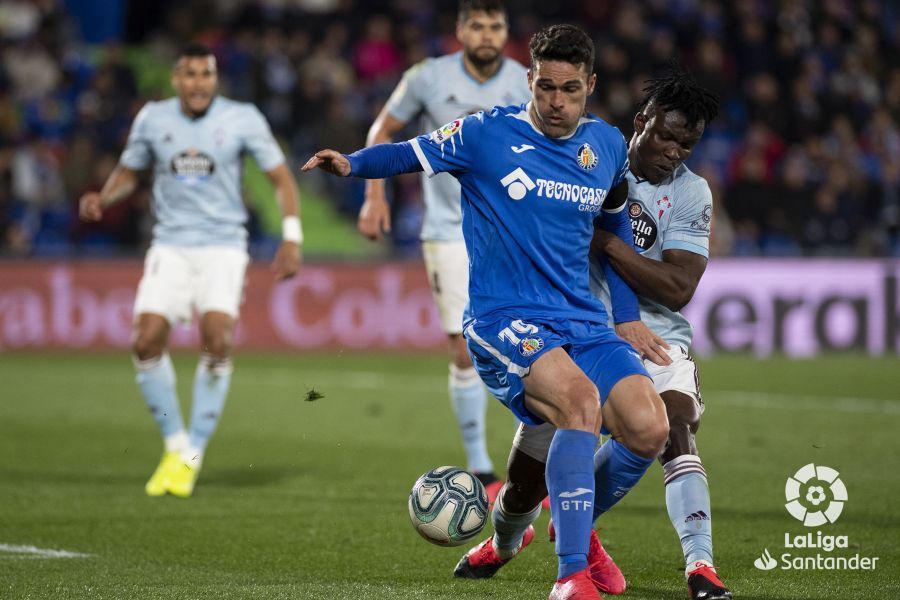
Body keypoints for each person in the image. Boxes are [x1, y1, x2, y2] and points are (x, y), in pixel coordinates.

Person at [303, 24, 670, 600]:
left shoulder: (606, 145)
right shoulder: (485, 134)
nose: (555, 101)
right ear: (529, 79)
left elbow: (615, 221)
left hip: (581, 321)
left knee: (650, 428)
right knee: (579, 404)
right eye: (545, 86)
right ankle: (571, 574)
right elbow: (409, 152)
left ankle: (558, 521)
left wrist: (625, 314)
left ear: (590, 85)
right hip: (505, 320)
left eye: (570, 89)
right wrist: (353, 165)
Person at [455, 68, 732, 600]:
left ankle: (700, 564)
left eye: (687, 144)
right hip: (569, 330)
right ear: (640, 122)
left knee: (673, 425)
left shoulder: (692, 194)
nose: (675, 151)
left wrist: (606, 241)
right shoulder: (582, 155)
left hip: (653, 337)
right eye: (667, 136)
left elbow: (677, 288)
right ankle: (507, 540)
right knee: (522, 487)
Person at [79, 43, 302, 498]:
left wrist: (292, 235)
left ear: (214, 79)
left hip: (224, 245)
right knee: (144, 340)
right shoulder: (153, 119)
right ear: (175, 80)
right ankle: (176, 445)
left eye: (206, 74)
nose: (198, 83)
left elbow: (280, 176)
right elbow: (129, 172)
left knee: (217, 337)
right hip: (171, 244)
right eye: (189, 75)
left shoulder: (243, 118)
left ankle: (193, 452)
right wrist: (104, 197)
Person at [357, 0, 530, 499]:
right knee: (464, 347)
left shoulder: (524, 81)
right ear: (460, 31)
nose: (486, 34)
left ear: (505, 31)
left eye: (495, 26)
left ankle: (539, 455)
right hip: (448, 230)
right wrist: (373, 193)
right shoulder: (426, 77)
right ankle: (481, 468)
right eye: (476, 26)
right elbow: (382, 130)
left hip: (509, 229)